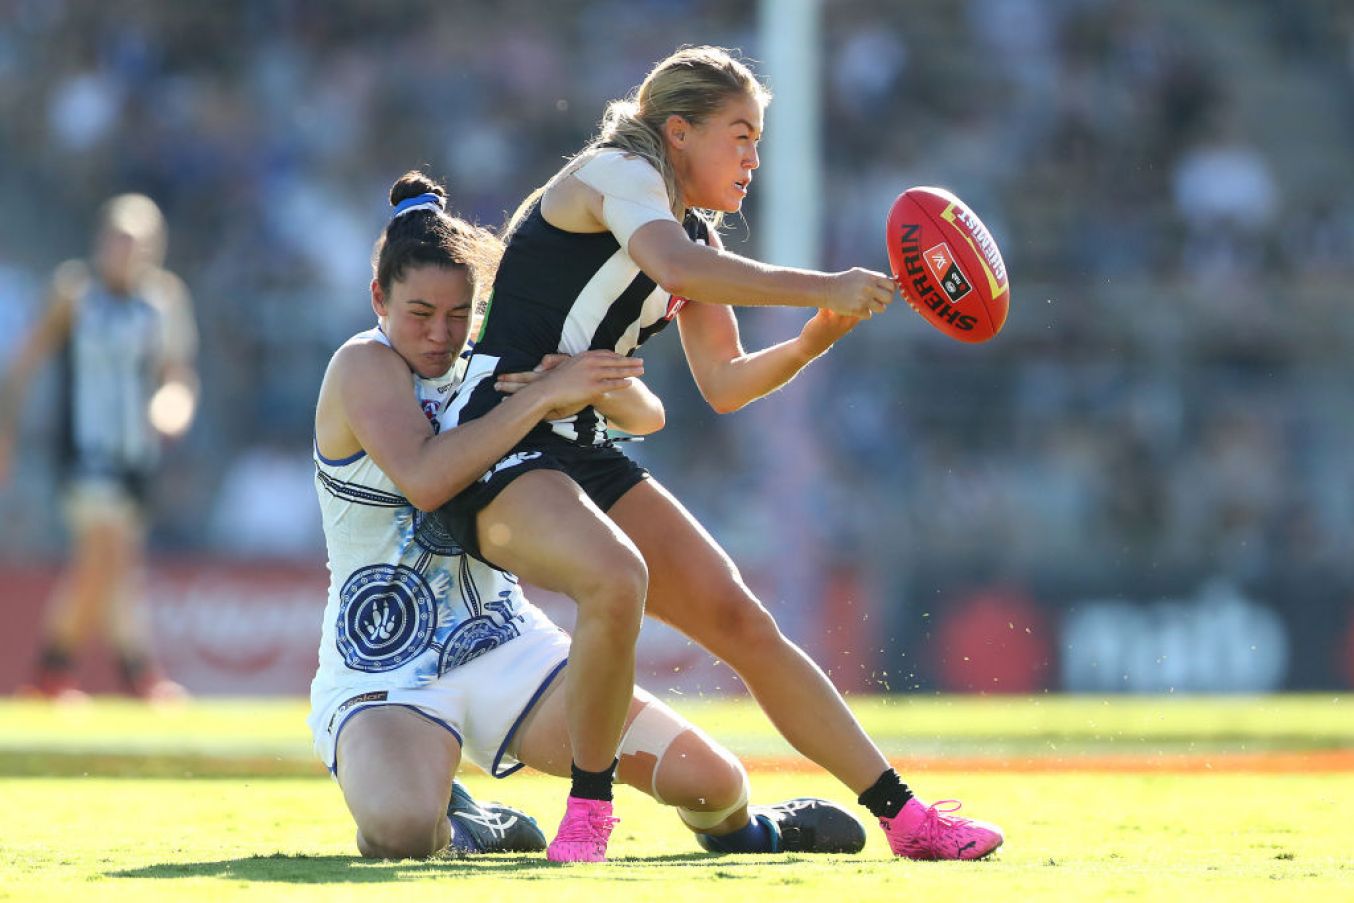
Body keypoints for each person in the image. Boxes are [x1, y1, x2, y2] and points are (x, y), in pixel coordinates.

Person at [436, 46, 1005, 861]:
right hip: (498, 435)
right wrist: (823, 284)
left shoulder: (689, 232)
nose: (753, 158)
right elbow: (674, 264)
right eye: (739, 134)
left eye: (759, 139)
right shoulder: (614, 174)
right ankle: (589, 817)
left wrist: (815, 338)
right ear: (677, 131)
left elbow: (726, 383)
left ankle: (907, 817)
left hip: (582, 444)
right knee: (617, 575)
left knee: (743, 620)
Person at [308, 171, 868, 861]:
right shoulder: (363, 364)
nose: (440, 332)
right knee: (400, 832)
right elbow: (426, 478)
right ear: (378, 299)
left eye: (459, 313)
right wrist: (544, 396)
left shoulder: (485, 357)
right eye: (420, 313)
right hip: (386, 667)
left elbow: (649, 413)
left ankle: (761, 832)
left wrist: (591, 384)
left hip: (508, 647)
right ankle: (470, 824)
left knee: (714, 785)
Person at [0, 193, 198, 701]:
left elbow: (177, 377)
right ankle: (137, 673)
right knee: (105, 546)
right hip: (82, 454)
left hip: (136, 459)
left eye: (138, 243)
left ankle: (51, 674)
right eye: (119, 239)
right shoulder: (74, 293)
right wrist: (8, 431)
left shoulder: (165, 301)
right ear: (101, 241)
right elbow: (26, 362)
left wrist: (171, 409)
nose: (126, 252)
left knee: (111, 565)